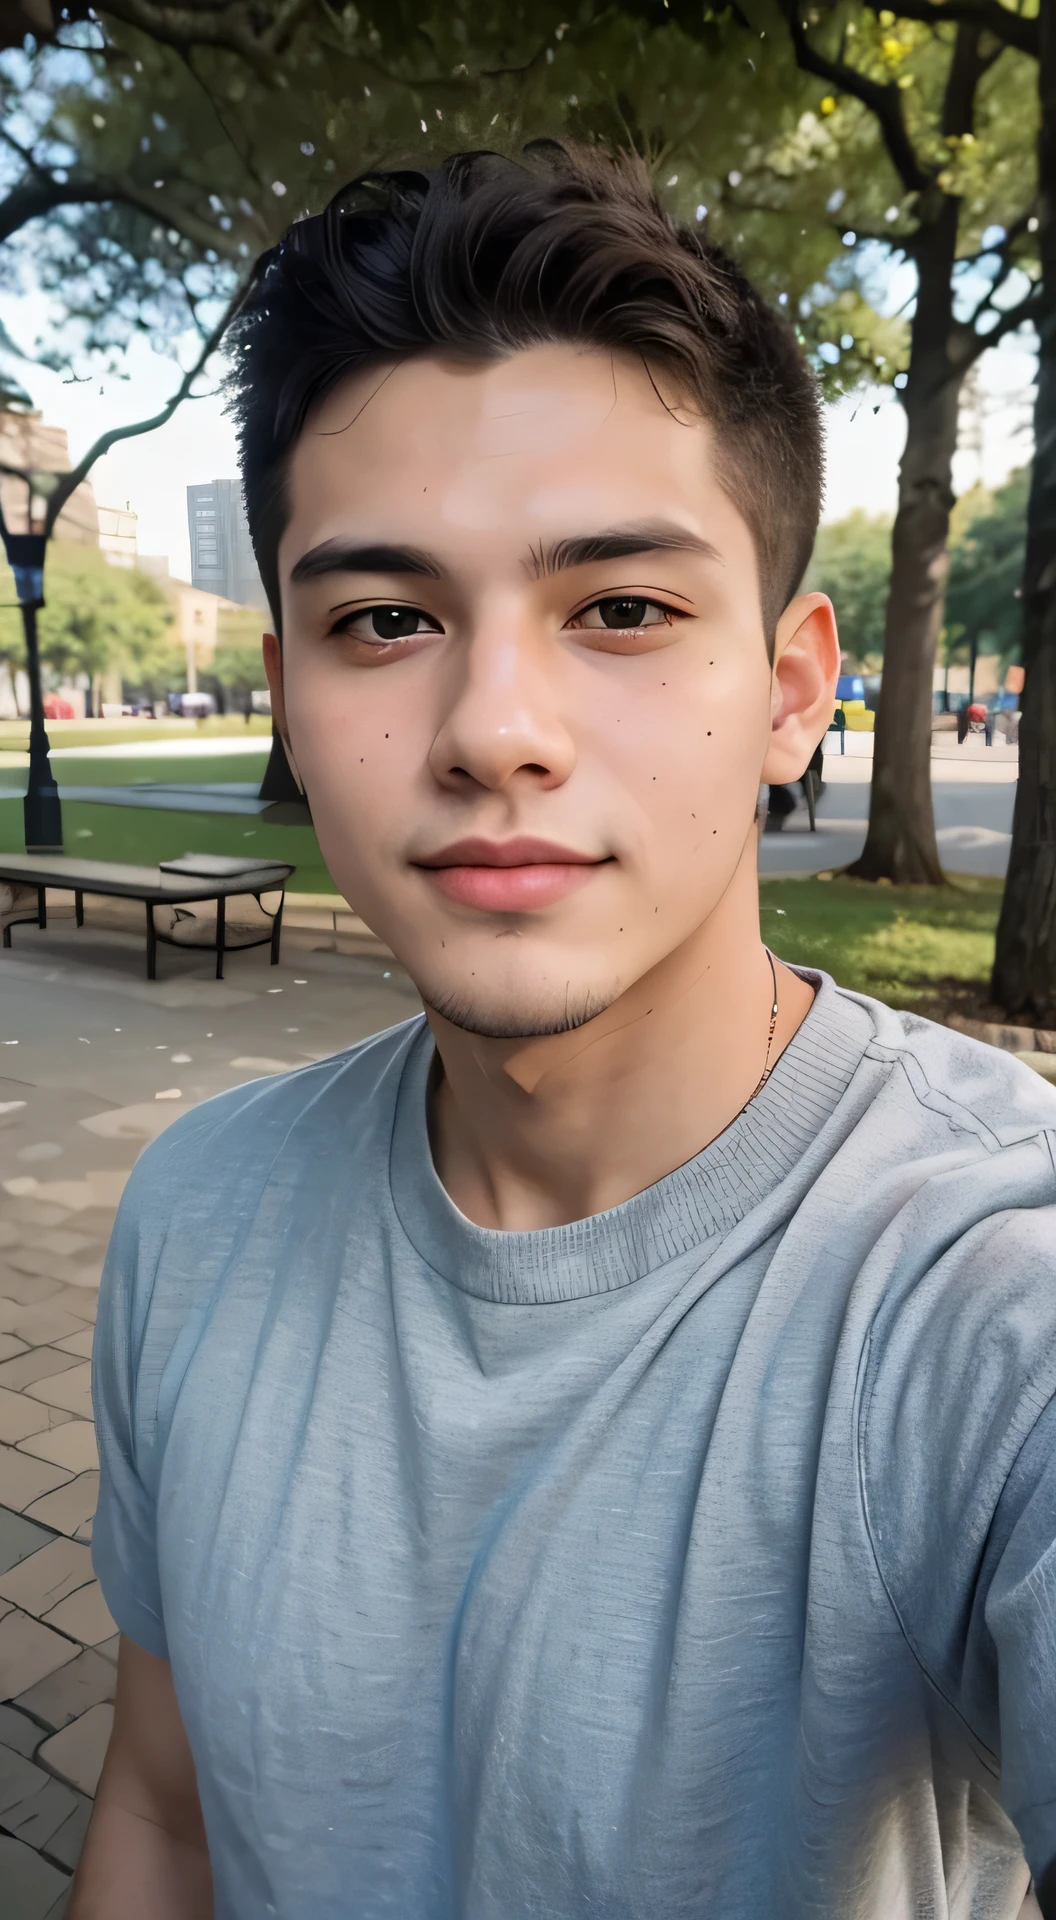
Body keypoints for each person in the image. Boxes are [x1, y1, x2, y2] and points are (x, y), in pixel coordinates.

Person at [73, 146, 1056, 1920]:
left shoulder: (991, 1295)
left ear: (789, 688)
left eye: (621, 607)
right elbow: (163, 1816)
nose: (495, 728)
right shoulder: (192, 1220)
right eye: (384, 621)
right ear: (289, 695)